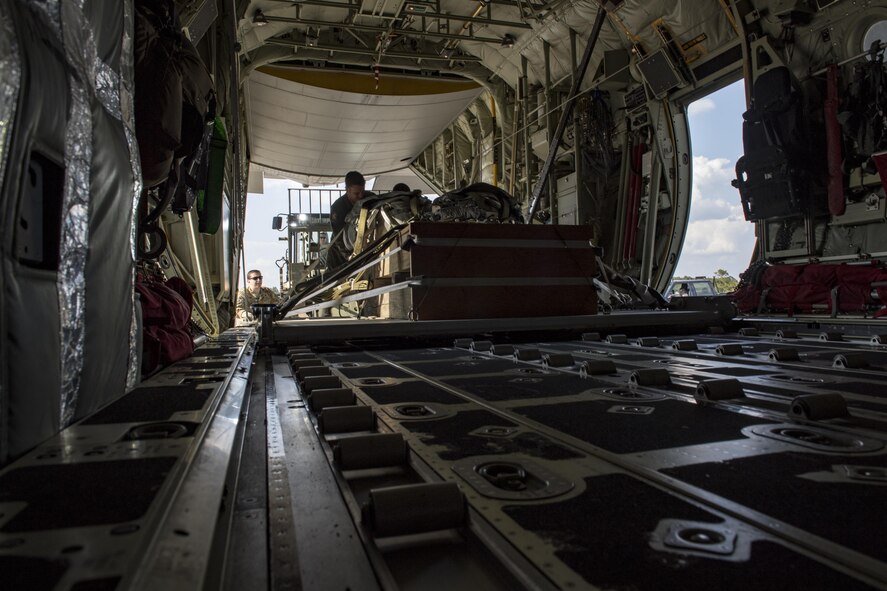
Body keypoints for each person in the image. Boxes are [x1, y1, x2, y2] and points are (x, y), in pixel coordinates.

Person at [330, 171, 367, 237]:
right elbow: (339, 236)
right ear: (347, 190)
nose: (361, 196)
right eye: (356, 193)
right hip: (342, 244)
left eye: (363, 191)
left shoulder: (370, 198)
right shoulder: (338, 208)